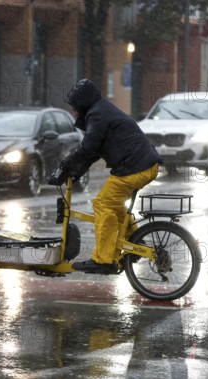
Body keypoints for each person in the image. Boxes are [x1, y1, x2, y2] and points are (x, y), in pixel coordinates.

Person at [49, 79, 162, 273]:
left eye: (75, 107)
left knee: (103, 204)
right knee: (115, 206)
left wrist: (64, 166)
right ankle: (135, 242)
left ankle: (103, 260)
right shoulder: (101, 111)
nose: (74, 111)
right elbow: (94, 152)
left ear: (83, 103)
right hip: (143, 164)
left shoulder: (98, 115)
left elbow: (88, 147)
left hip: (135, 167)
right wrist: (75, 172)